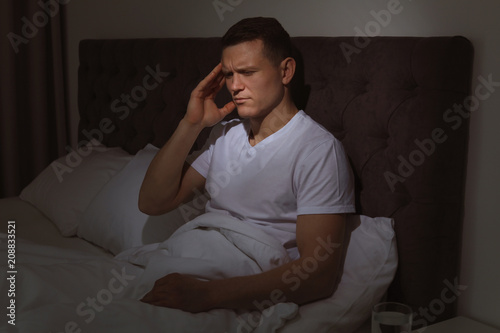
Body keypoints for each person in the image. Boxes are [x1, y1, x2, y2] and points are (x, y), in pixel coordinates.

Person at [138, 17, 355, 313]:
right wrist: (191, 125)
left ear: (286, 71)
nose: (235, 86)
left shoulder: (317, 150)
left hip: (235, 283)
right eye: (228, 75)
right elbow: (153, 202)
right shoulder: (224, 134)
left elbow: (318, 276)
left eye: (247, 72)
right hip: (193, 256)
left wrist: (206, 295)